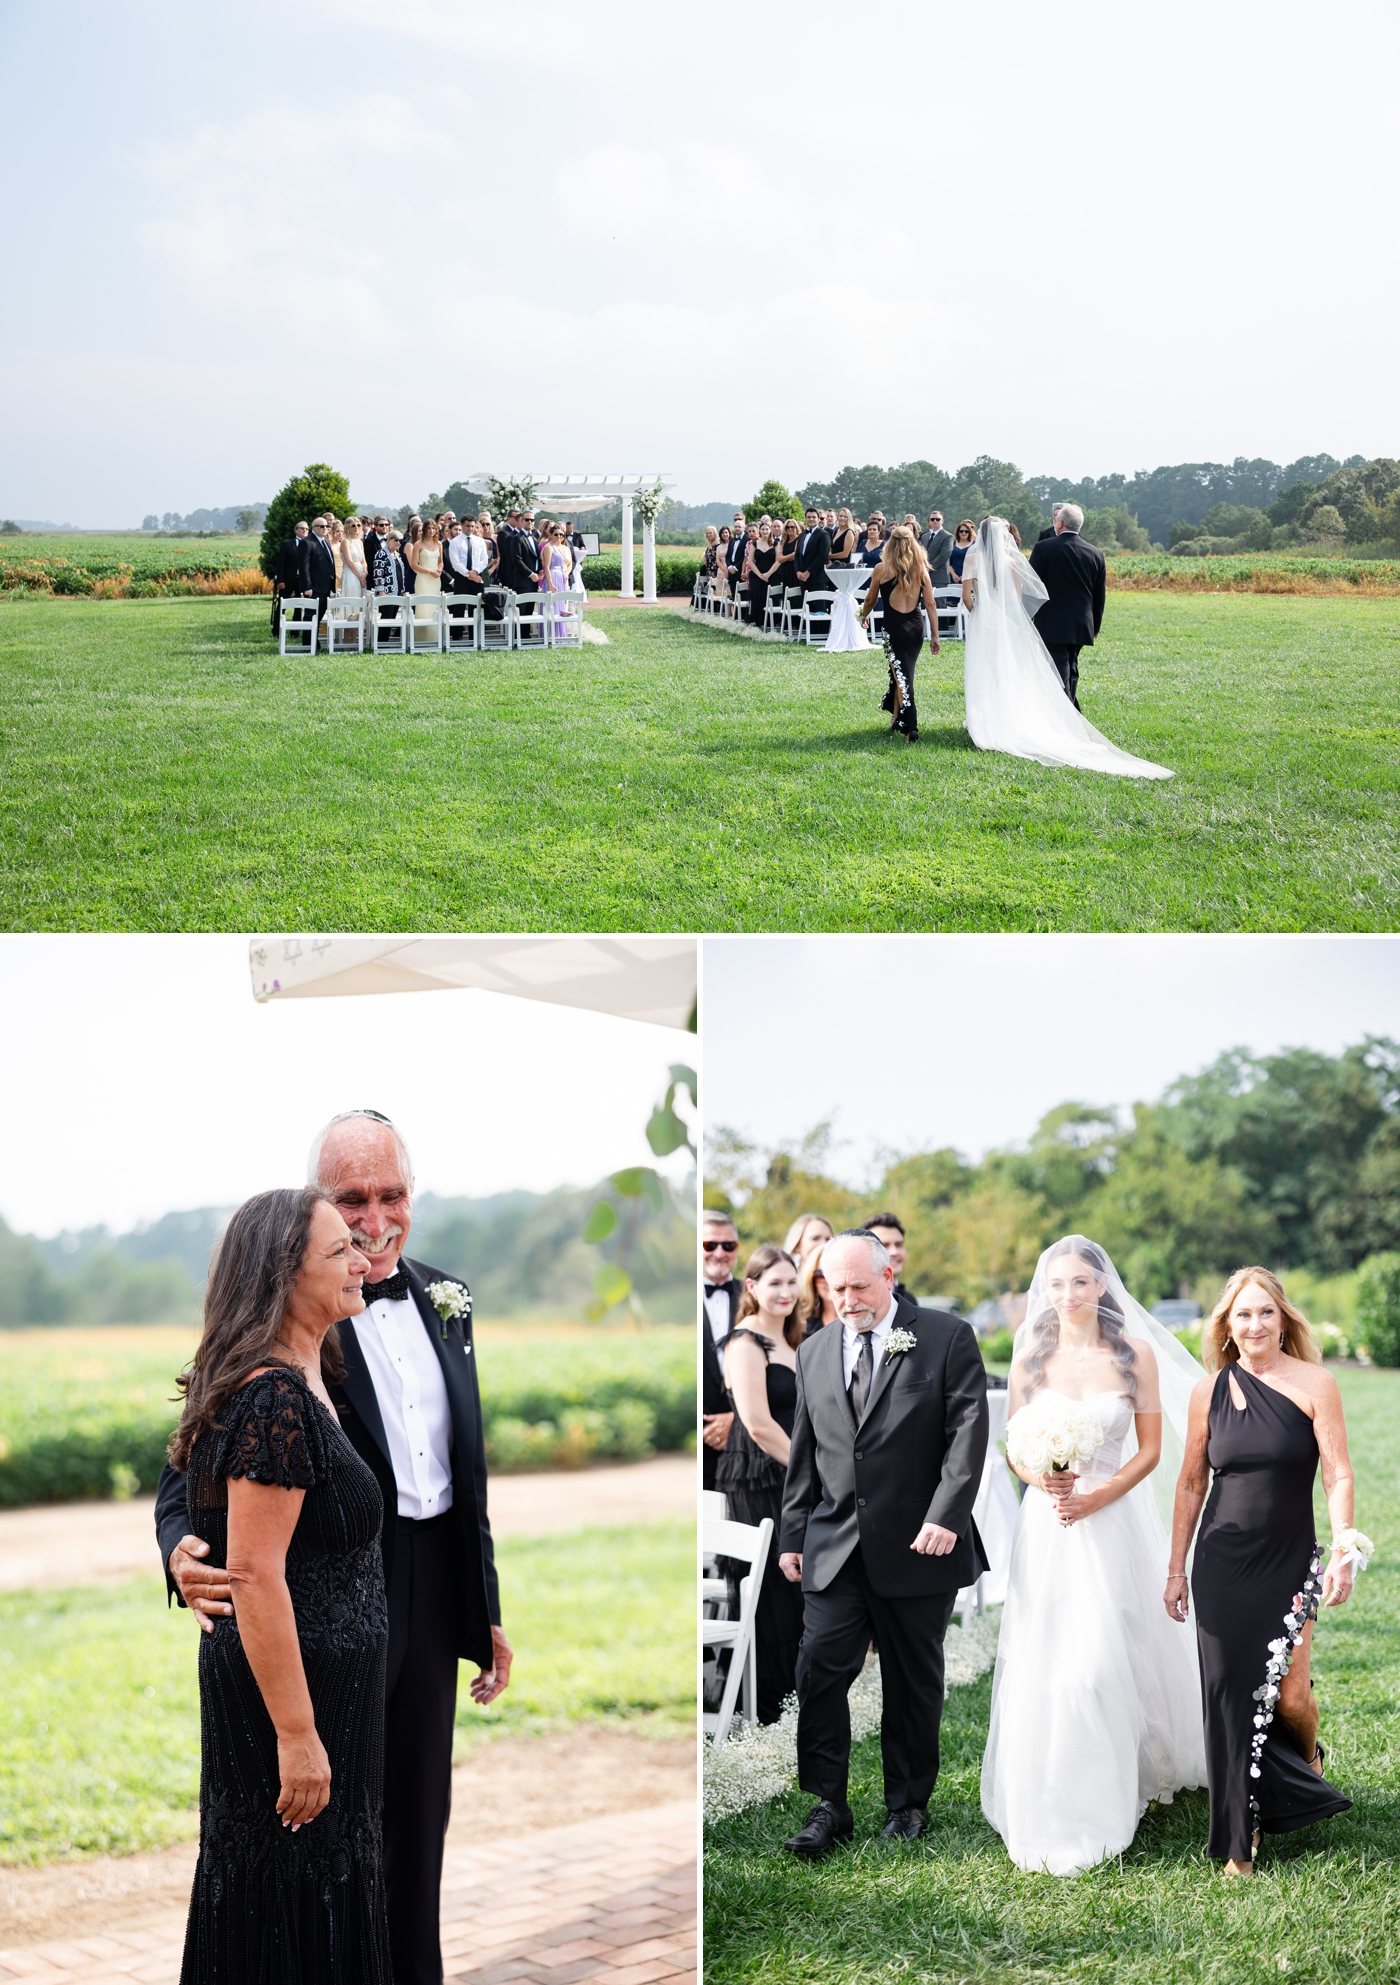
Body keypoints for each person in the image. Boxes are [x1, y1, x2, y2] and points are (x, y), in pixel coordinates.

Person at [157, 1111, 511, 1985]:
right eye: (352, 1198)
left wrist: (483, 1609)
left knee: (416, 1827)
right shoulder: (301, 1305)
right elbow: (197, 1447)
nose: (374, 1217)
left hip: (430, 1598)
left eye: (392, 1193)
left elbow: (466, 1471)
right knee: (323, 1840)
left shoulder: (447, 1298)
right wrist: (177, 1548)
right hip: (326, 1598)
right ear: (320, 1203)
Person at [168, 1186, 391, 1983]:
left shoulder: (306, 1374)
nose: (362, 1259)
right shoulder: (272, 1396)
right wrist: (298, 1734)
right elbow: (255, 1569)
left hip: (329, 1687)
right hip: (287, 1700)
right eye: (340, 1251)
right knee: (285, 1915)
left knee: (313, 1903)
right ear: (281, 1276)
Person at [980, 1237, 1207, 1876]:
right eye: (1057, 1285)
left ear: (1102, 1286)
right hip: (1048, 1526)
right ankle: (1048, 1788)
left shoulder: (1134, 1354)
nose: (1068, 1296)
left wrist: (1099, 1493)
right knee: (1045, 1657)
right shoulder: (1030, 1354)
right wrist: (1040, 1474)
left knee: (1101, 1661)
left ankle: (1114, 1787)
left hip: (1111, 1522)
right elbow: (1015, 1446)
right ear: (1045, 1290)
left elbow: (1151, 1450)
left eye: (1081, 1283)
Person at [778, 1231, 989, 1854]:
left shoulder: (947, 1337)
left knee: (911, 1680)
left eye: (858, 1286)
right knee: (817, 1668)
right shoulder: (814, 1350)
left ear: (889, 1274)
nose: (847, 1299)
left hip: (920, 1543)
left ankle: (907, 1804)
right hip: (834, 1543)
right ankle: (828, 1803)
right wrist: (793, 1531)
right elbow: (805, 1450)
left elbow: (967, 1433)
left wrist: (946, 1515)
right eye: (834, 1287)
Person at [1167, 1266, 1357, 1877]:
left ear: (1284, 1319)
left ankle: (1305, 1766)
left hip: (1288, 1558)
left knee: (1290, 1693)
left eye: (1265, 1312)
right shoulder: (1209, 1392)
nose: (1254, 1324)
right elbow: (1192, 1480)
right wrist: (1176, 1568)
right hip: (1220, 1562)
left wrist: (1346, 1544)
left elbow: (1338, 1472)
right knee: (1225, 1696)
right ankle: (1237, 1836)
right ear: (1226, 1325)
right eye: (1242, 1314)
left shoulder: (1315, 1384)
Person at [961, 515, 1172, 778]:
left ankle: (1038, 718)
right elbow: (1023, 593)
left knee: (1000, 670)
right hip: (1073, 622)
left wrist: (980, 611)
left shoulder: (988, 556)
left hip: (1010, 621)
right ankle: (1056, 713)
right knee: (1047, 669)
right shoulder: (1087, 553)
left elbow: (969, 595)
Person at [717, 1245, 807, 1723]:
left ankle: (802, 1694)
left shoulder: (797, 1340)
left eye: (792, 1282)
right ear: (751, 1287)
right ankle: (767, 1705)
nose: (786, 1292)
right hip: (759, 1476)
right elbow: (757, 1424)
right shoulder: (744, 1343)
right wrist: (811, 1473)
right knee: (772, 1585)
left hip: (796, 1475)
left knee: (801, 1583)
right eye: (774, 1283)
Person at [858, 525, 941, 741]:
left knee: (903, 676)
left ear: (890, 543)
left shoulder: (882, 568)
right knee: (900, 672)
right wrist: (935, 635)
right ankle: (895, 718)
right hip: (916, 627)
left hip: (894, 628)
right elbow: (930, 603)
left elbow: (870, 600)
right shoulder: (921, 568)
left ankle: (910, 727)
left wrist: (862, 616)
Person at [1026, 502, 1105, 710]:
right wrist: (1095, 625)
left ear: (1059, 523)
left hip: (1052, 620)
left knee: (1058, 669)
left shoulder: (1044, 548)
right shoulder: (1096, 553)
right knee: (1072, 665)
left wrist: (1025, 614)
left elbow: (1032, 585)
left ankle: (1065, 716)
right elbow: (1099, 595)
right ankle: (1073, 711)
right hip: (1082, 622)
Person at [702, 1210, 742, 1487]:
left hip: (743, 1446)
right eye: (709, 1245)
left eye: (728, 1245)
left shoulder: (755, 1297)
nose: (719, 1252)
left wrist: (736, 1419)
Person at [298, 518, 337, 632]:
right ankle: (308, 645)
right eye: (321, 526)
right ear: (314, 527)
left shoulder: (325, 541)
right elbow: (304, 567)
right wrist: (307, 587)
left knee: (319, 616)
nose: (325, 528)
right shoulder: (307, 542)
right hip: (314, 588)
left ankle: (315, 642)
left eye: (326, 526)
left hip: (325, 586)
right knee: (310, 616)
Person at [862, 1213, 911, 1302]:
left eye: (898, 1244)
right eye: (884, 1245)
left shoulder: (910, 1299)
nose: (894, 1252)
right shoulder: (855, 1300)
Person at [273, 521, 309, 635]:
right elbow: (281, 563)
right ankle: (276, 631)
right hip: (288, 580)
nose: (304, 531)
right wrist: (280, 580)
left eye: (307, 529)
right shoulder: (287, 544)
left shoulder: (310, 544)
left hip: (302, 581)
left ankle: (295, 632)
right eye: (302, 528)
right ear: (296, 530)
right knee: (282, 606)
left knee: (299, 606)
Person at [408, 518, 443, 636]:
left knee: (434, 606)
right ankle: (421, 637)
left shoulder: (439, 543)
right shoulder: (418, 544)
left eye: (434, 528)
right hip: (423, 579)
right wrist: (429, 572)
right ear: (424, 529)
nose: (431, 531)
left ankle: (434, 637)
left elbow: (441, 561)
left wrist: (440, 569)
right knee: (423, 606)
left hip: (435, 579)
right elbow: (414, 565)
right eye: (429, 528)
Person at [796, 1247, 837, 1333]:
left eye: (836, 1273)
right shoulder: (804, 1328)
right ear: (812, 1282)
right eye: (821, 1275)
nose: (830, 1280)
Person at [794, 507, 832, 598]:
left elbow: (822, 556)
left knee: (820, 611)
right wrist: (798, 571)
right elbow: (797, 555)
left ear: (818, 519)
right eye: (809, 517)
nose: (811, 519)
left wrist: (808, 572)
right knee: (806, 609)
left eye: (814, 517)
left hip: (817, 579)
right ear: (805, 519)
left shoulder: (823, 534)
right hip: (803, 579)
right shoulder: (801, 535)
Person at [747, 521, 778, 630]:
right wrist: (760, 575)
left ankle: (770, 622)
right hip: (757, 575)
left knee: (769, 596)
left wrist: (768, 574)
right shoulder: (754, 544)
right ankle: (757, 621)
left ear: (770, 530)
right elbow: (750, 561)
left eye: (767, 529)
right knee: (756, 595)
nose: (765, 531)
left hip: (772, 575)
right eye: (763, 529)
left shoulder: (775, 544)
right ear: (759, 531)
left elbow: (778, 561)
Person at [340, 517, 369, 598]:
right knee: (352, 598)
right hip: (350, 573)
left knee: (361, 598)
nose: (356, 527)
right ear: (348, 527)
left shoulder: (360, 542)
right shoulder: (345, 542)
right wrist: (360, 576)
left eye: (359, 525)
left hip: (361, 573)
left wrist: (365, 573)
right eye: (353, 525)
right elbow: (349, 562)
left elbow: (363, 561)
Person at [923, 512, 953, 588]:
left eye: (938, 519)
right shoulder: (924, 536)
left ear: (942, 521)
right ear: (928, 522)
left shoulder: (947, 536)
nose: (935, 521)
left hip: (939, 576)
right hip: (924, 575)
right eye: (932, 519)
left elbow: (944, 555)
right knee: (924, 600)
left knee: (939, 600)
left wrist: (929, 567)